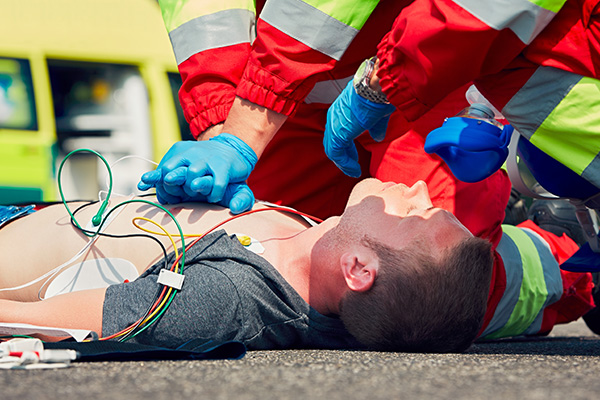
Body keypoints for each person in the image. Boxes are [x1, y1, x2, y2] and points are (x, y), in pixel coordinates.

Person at [0, 179, 493, 353]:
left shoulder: (229, 299)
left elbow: (29, 322)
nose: (419, 190)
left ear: (359, 270)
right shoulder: (323, 245)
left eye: (414, 214)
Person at [139, 0, 478, 222]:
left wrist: (240, 136)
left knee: (428, 262)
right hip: (281, 90)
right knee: (266, 236)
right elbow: (205, 17)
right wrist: (220, 133)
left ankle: (533, 247)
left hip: (419, 66)